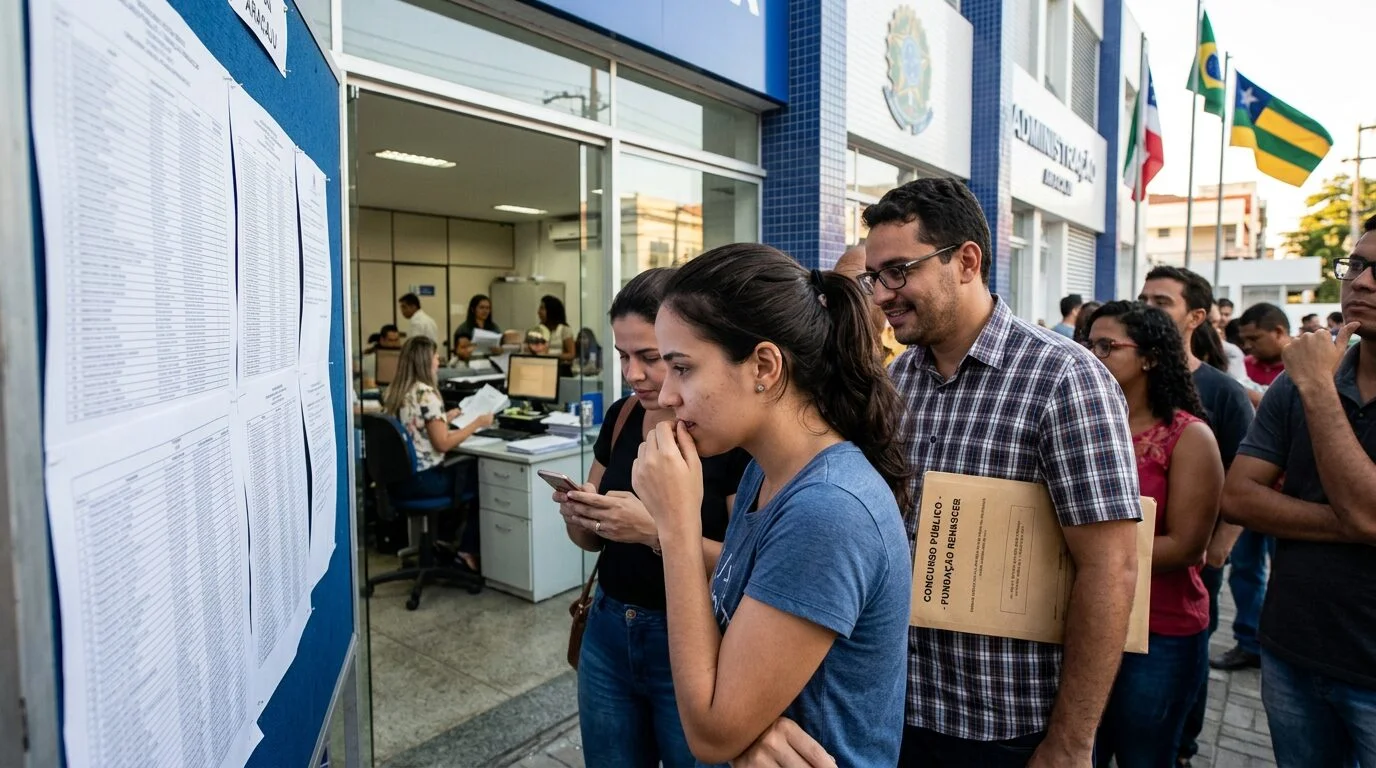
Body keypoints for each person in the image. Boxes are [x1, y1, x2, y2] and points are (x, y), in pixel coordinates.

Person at [731, 178, 1139, 767]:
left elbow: (1111, 567)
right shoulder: (895, 383)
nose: (881, 295)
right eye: (874, 277)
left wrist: (1072, 741)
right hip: (892, 708)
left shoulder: (1065, 380)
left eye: (898, 271)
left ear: (967, 260)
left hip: (1005, 723)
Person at [631, 244, 912, 766]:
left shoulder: (827, 510)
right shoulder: (767, 467)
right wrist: (747, 731)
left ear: (764, 365)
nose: (666, 394)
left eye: (682, 368)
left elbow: (712, 735)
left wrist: (674, 528)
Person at [554, 268, 752, 767]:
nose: (634, 374)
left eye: (652, 358)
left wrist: (654, 532)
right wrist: (583, 514)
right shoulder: (622, 416)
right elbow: (591, 543)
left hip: (689, 639)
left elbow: (747, 565)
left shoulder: (724, 436)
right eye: (623, 356)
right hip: (607, 626)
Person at [1220, 215, 1376, 768]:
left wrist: (1317, 389)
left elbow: (1368, 515)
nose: (1360, 281)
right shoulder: (1299, 378)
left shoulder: (1308, 379)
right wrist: (1351, 524)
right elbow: (1238, 498)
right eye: (1356, 265)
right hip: (1292, 652)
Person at [1084, 302, 1224, 768]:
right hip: (1086, 617)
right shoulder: (1084, 427)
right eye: (1088, 343)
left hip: (1160, 629)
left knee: (1146, 756)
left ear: (1149, 357)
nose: (1092, 353)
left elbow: (1188, 545)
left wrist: (1089, 554)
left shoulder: (1189, 437)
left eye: (1107, 346)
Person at [1135, 267, 1256, 768]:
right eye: (1142, 297)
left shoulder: (1223, 393)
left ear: (1195, 316)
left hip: (1191, 562)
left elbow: (1249, 472)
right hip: (1131, 572)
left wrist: (1221, 542)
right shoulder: (1119, 387)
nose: (1146, 306)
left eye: (1161, 301)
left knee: (1189, 656)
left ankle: (1183, 743)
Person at [1214, 302, 1291, 671]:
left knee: (1286, 575)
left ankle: (1281, 647)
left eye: (1255, 339)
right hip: (1251, 495)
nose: (1249, 348)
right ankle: (1249, 641)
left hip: (1290, 499)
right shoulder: (1245, 367)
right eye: (1244, 341)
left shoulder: (1306, 370)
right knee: (1245, 571)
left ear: (1279, 332)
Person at [381, 336, 495, 571]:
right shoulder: (426, 394)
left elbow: (416, 425)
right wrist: (477, 423)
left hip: (399, 482)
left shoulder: (397, 391)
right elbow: (442, 443)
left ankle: (443, 542)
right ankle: (466, 550)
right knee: (482, 478)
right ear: (425, 361)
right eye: (435, 356)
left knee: (462, 473)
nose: (438, 361)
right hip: (425, 481)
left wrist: (446, 417)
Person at [833, 243, 906, 366]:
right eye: (840, 286)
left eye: (864, 284)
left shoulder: (908, 343)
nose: (849, 296)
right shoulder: (822, 345)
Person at [1237, 302, 1292, 388]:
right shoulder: (1242, 367)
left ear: (1278, 332)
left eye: (1253, 339)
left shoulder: (1307, 367)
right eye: (1244, 340)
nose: (1247, 345)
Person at [452, 294, 502, 361]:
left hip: (492, 364)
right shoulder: (464, 329)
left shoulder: (494, 327)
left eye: (488, 308)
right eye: (481, 307)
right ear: (473, 309)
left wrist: (499, 350)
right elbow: (459, 351)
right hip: (470, 364)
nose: (485, 311)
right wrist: (467, 350)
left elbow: (501, 347)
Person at [535, 295, 576, 371]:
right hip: (544, 368)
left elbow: (571, 354)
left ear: (551, 311)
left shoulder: (564, 329)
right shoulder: (539, 330)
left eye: (542, 308)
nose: (538, 312)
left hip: (561, 370)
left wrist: (550, 356)